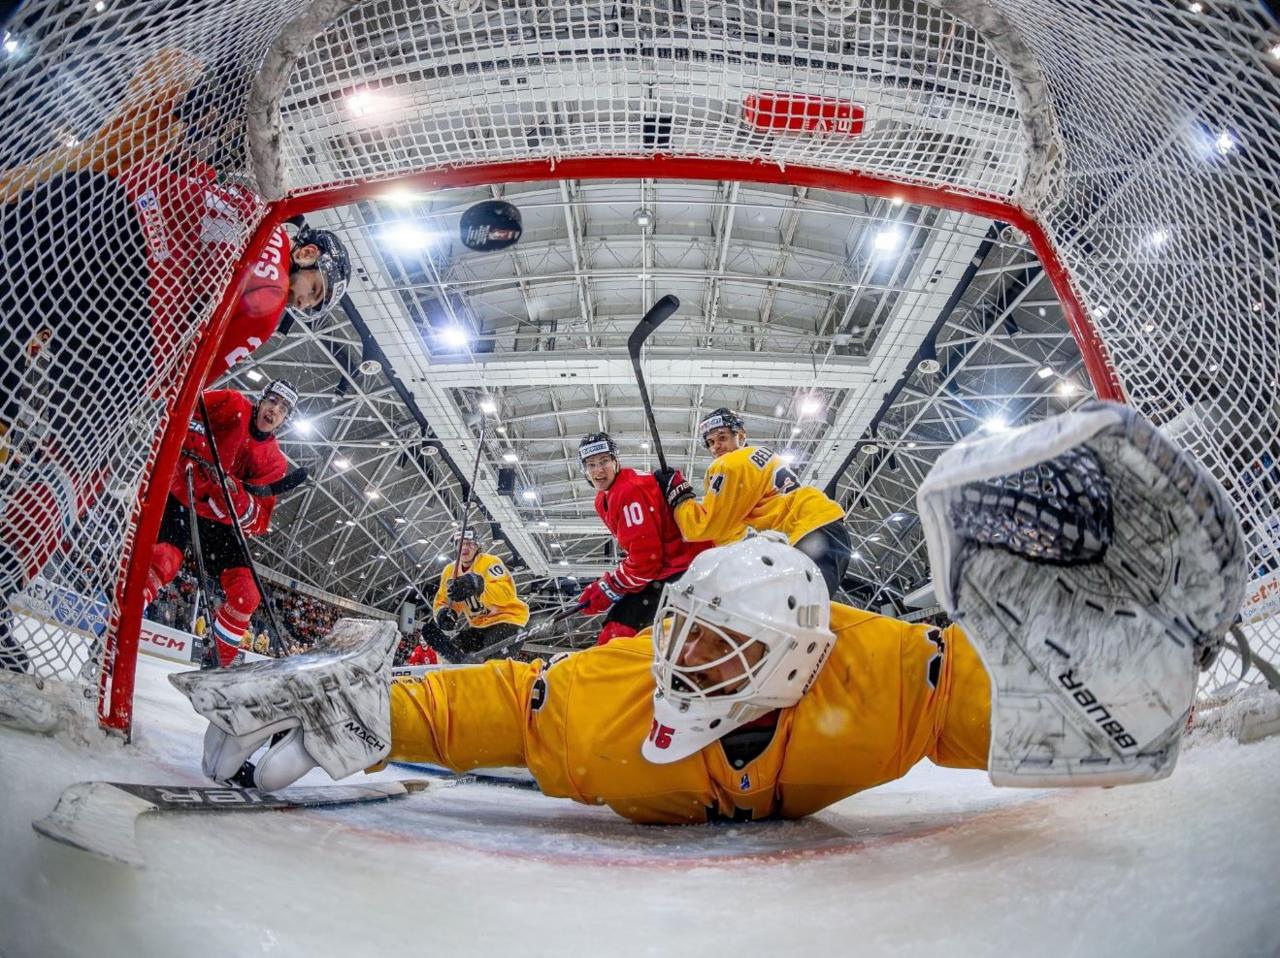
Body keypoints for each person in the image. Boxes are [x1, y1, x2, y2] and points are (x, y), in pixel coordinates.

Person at [172, 402, 1249, 821]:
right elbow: (497, 701)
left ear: (795, 663)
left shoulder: (892, 680)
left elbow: (1040, 697)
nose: (677, 665)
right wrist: (351, 717)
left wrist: (1148, 670)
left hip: (809, 553)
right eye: (679, 632)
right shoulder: (613, 699)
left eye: (717, 649)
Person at [0, 50, 346, 671]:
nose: (301, 299)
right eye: (313, 289)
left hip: (72, 207)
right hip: (127, 298)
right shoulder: (263, 313)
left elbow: (254, 507)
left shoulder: (237, 194)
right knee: (79, 464)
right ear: (311, 252)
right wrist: (148, 410)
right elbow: (187, 381)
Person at [140, 381, 294, 667]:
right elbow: (183, 408)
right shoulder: (232, 403)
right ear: (261, 400)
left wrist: (235, 498)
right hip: (180, 496)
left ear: (285, 419)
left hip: (219, 521)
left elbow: (259, 521)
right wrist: (192, 451)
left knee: (247, 593)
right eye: (272, 401)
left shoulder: (274, 462)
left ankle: (216, 662)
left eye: (283, 409)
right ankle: (113, 637)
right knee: (161, 561)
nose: (274, 409)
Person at [652, 407, 853, 597]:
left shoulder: (730, 464)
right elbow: (732, 533)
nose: (716, 447)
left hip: (810, 536)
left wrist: (678, 495)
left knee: (797, 619)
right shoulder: (755, 457)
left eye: (722, 437)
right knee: (804, 617)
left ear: (741, 435)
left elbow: (706, 527)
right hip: (824, 530)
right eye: (711, 442)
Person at [575, 432, 713, 645]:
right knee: (621, 630)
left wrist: (610, 586)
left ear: (616, 461)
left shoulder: (629, 489)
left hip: (684, 569)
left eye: (604, 461)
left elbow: (646, 560)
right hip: (670, 569)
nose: (598, 470)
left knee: (616, 638)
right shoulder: (603, 497)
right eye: (591, 464)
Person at [432, 529, 529, 662]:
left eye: (470, 543)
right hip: (479, 627)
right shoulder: (450, 571)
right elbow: (443, 600)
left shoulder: (490, 562)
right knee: (451, 653)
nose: (464, 547)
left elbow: (507, 593)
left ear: (477, 546)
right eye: (460, 543)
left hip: (507, 622)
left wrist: (479, 585)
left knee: (491, 661)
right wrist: (444, 613)